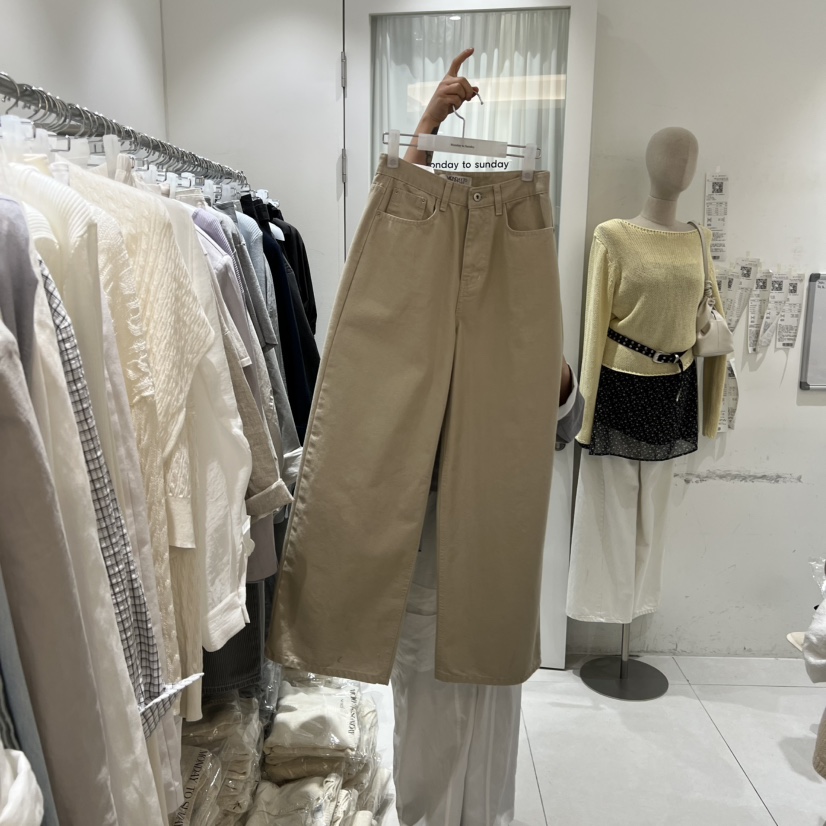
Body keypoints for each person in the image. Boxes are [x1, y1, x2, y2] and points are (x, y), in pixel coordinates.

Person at [391, 48, 584, 826]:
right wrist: (426, 131)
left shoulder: (523, 307)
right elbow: (399, 235)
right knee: (427, 721)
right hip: (424, 549)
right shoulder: (402, 309)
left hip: (495, 542)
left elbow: (564, 425)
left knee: (492, 714)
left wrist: (549, 372)